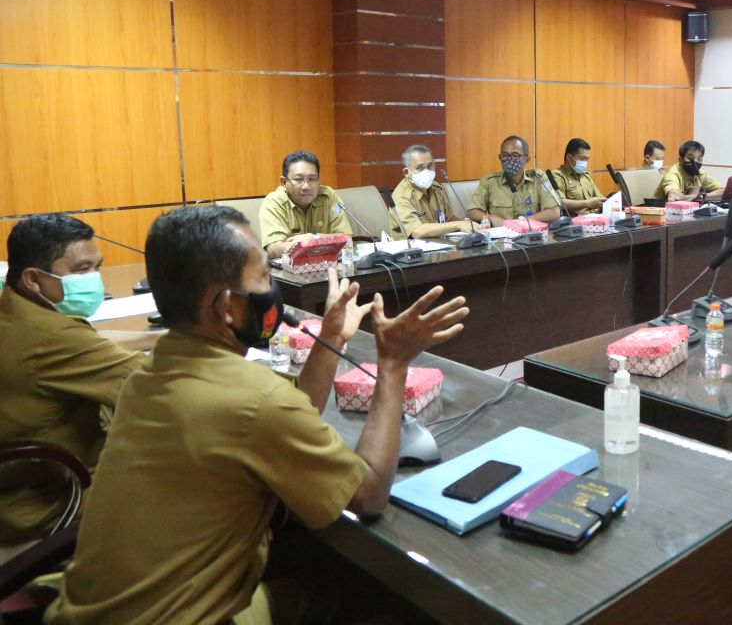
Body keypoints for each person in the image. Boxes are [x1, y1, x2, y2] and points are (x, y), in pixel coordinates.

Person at [46, 205, 468, 625]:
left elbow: (287, 415)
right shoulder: (252, 398)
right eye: (264, 276)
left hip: (87, 610)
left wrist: (330, 339)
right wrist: (392, 366)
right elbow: (368, 496)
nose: (272, 290)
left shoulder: (148, 374)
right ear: (227, 306)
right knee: (369, 591)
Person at [0, 214, 160, 546]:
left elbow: (87, 340)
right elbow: (156, 386)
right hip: (47, 504)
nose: (93, 279)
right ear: (33, 279)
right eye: (81, 270)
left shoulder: (14, 311)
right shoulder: (51, 338)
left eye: (97, 267)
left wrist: (156, 338)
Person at [260, 150, 353, 259]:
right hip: (289, 273)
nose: (306, 187)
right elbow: (274, 250)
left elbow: (347, 240)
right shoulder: (274, 203)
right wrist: (325, 243)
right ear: (284, 182)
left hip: (328, 267)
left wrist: (314, 238)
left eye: (312, 179)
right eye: (298, 179)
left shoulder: (328, 197)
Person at [388, 144, 479, 239]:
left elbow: (448, 219)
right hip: (412, 251)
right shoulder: (401, 196)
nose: (426, 172)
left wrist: (468, 223)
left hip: (441, 245)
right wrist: (458, 225)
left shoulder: (437, 188)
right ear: (406, 172)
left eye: (430, 166)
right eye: (420, 168)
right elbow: (417, 231)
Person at [468, 135, 559, 224]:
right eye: (505, 155)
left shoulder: (538, 178)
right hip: (502, 235)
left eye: (515, 155)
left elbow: (554, 211)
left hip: (531, 233)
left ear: (527, 159)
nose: (510, 159)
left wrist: (524, 221)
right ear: (500, 158)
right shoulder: (489, 181)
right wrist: (490, 217)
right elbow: (473, 211)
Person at [548, 138, 607, 214]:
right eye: (582, 158)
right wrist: (587, 203)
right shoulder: (557, 176)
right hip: (577, 222)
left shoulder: (585, 175)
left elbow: (600, 198)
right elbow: (559, 202)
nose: (585, 162)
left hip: (597, 217)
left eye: (587, 159)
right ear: (569, 158)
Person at [655, 140, 723, 202]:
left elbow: (723, 191)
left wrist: (701, 196)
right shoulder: (673, 173)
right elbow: (674, 196)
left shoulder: (700, 174)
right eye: (691, 158)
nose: (695, 161)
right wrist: (693, 195)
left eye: (699, 158)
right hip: (660, 211)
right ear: (681, 160)